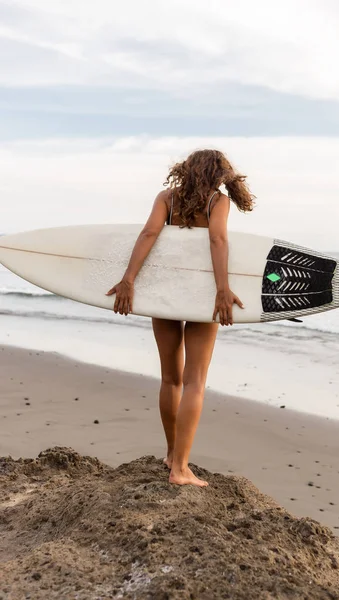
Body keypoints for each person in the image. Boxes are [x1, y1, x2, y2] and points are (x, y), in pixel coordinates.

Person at [106, 149, 255, 487]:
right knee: (194, 382)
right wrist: (222, 289)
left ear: (186, 170)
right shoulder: (218, 202)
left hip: (166, 293)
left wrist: (129, 279)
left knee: (170, 379)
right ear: (219, 174)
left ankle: (172, 454)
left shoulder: (167, 198)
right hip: (201, 296)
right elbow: (217, 239)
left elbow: (148, 235)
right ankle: (181, 469)